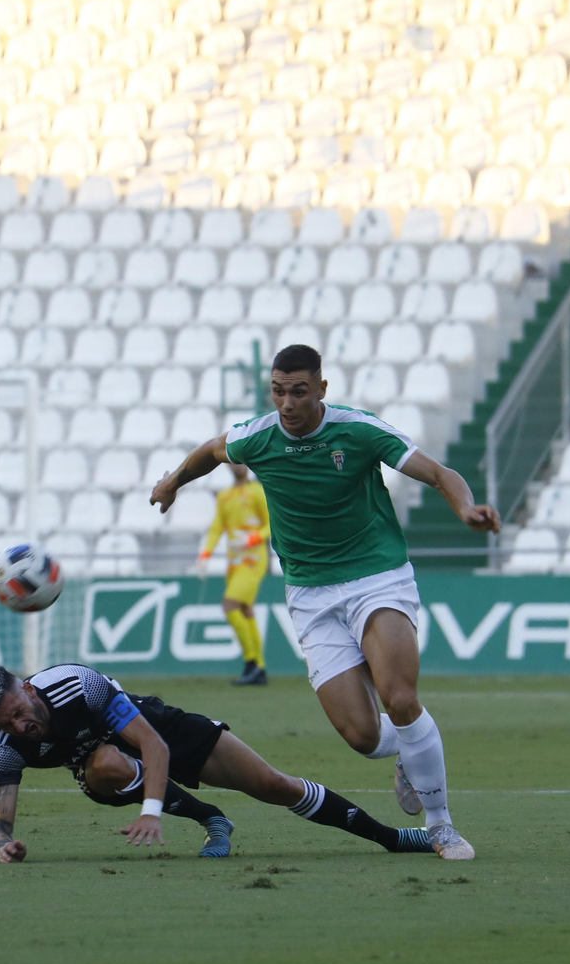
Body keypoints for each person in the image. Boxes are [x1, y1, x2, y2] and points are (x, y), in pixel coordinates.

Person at [149, 344, 501, 861]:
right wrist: (174, 480)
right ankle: (410, 748)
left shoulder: (357, 430)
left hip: (376, 576)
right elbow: (211, 450)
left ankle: (440, 824)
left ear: (321, 389)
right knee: (361, 736)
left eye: (298, 391)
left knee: (400, 699)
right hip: (310, 594)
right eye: (278, 391)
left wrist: (466, 509)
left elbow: (439, 474)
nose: (287, 403)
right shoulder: (258, 437)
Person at [0, 663, 434, 862]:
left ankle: (391, 838)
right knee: (107, 764)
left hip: (158, 730)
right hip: (106, 765)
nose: (16, 725)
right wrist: (3, 843)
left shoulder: (77, 686)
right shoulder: (5, 744)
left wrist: (150, 812)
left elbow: (154, 746)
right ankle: (212, 819)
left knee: (273, 784)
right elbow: (0, 822)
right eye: (3, 722)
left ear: (28, 690)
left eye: (17, 712)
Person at [198, 463, 271, 686]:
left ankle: (251, 661)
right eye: (232, 461)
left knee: (230, 605)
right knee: (246, 610)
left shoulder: (258, 491)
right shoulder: (225, 495)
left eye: (239, 461)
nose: (236, 466)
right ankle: (259, 668)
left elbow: (272, 523)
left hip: (253, 560)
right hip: (234, 563)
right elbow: (217, 527)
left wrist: (253, 538)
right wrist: (206, 554)